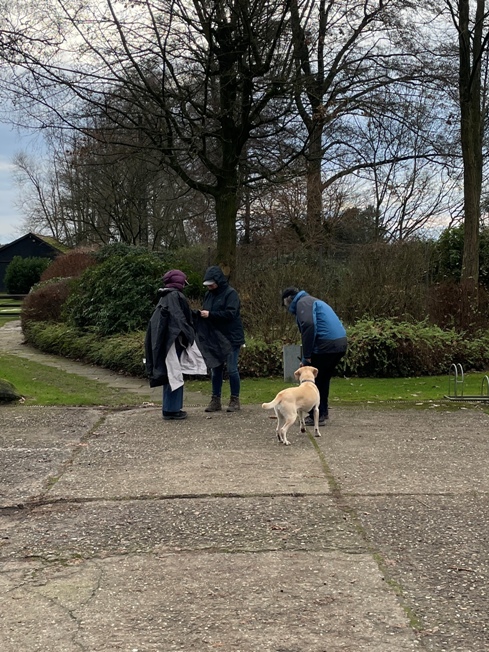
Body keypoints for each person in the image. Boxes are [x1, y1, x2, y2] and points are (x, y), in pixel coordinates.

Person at [145, 269, 206, 421]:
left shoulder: (165, 296)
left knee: (171, 374)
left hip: (167, 341)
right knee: (174, 374)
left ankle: (170, 408)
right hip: (173, 341)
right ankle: (172, 410)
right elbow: (181, 318)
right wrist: (188, 336)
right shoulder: (176, 296)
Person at [281, 287, 347, 426]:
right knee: (323, 378)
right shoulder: (311, 301)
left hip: (325, 345)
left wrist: (307, 356)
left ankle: (316, 415)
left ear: (288, 300)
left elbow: (309, 325)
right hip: (339, 343)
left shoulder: (302, 303)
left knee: (314, 381)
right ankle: (323, 411)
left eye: (285, 305)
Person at [199, 265, 245, 413]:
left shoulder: (231, 294)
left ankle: (235, 399)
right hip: (215, 338)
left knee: (232, 369)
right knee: (215, 369)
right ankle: (215, 399)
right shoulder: (208, 295)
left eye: (211, 284)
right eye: (208, 285)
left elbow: (231, 314)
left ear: (218, 281)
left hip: (231, 337)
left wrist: (210, 314)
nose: (209, 287)